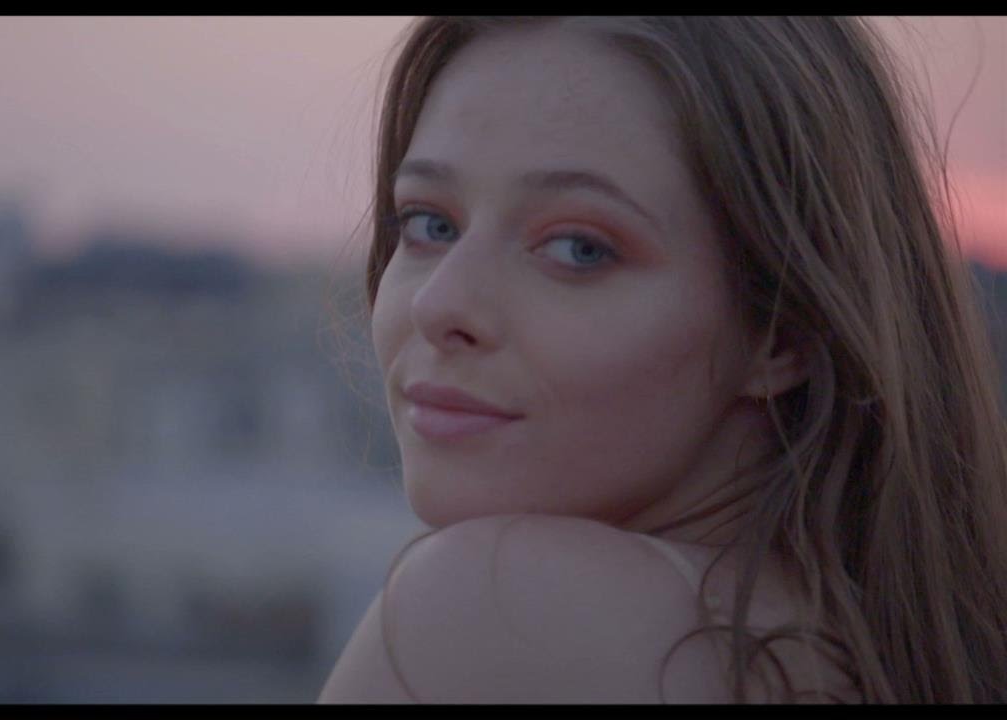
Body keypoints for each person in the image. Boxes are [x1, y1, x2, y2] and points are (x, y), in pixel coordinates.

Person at [317, 16, 1007, 703]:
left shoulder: (487, 612)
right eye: (430, 224)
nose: (439, 305)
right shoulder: (885, 651)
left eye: (579, 248)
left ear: (782, 334)